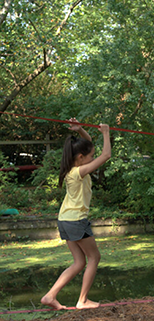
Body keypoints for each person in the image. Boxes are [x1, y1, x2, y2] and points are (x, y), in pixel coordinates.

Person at [41, 118, 111, 310]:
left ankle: (50, 296)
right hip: (75, 221)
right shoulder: (79, 172)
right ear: (80, 157)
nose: (92, 159)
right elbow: (105, 155)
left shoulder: (72, 169)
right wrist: (106, 132)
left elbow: (91, 149)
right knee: (94, 258)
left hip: (65, 219)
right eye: (89, 157)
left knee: (79, 262)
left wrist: (80, 130)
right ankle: (82, 300)